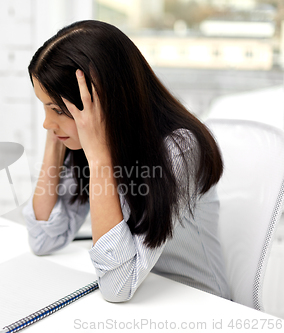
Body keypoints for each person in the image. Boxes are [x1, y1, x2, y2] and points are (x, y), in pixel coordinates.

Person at [22, 20, 231, 302]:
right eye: (46, 108)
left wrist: (98, 161)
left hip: (195, 301)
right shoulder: (89, 139)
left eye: (58, 110)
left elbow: (117, 288)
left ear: (107, 102)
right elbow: (43, 238)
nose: (47, 122)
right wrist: (55, 138)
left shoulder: (179, 149)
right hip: (142, 297)